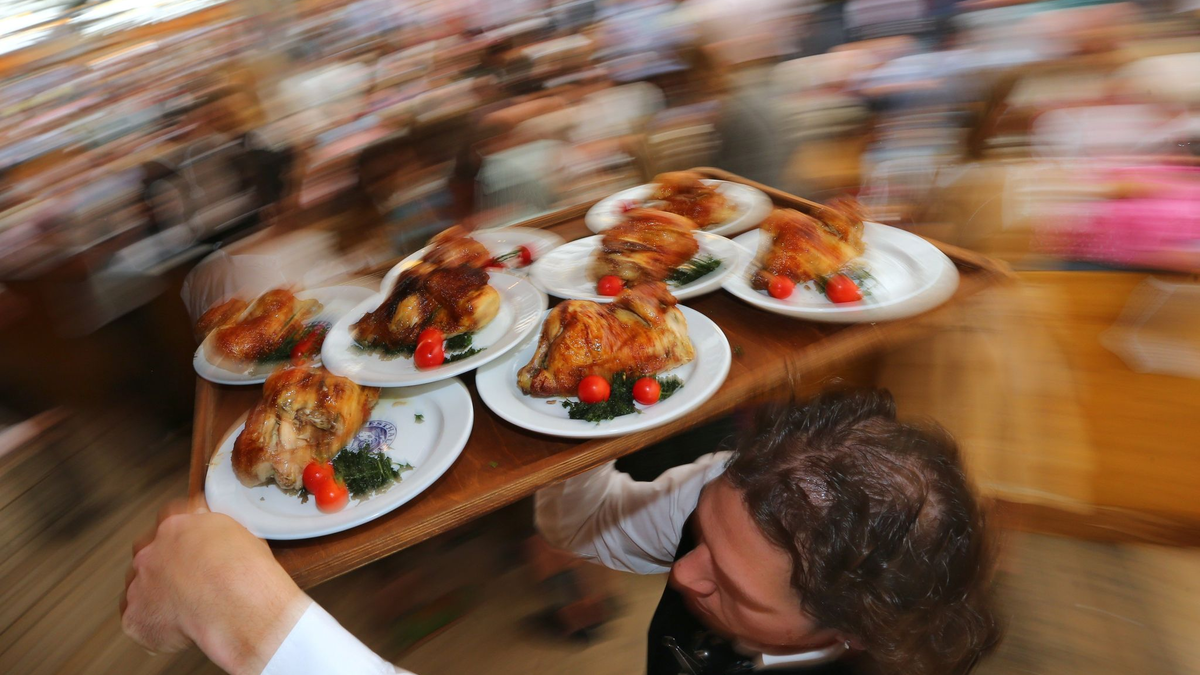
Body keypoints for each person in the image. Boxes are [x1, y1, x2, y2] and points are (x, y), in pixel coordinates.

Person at [120, 390, 1000, 674]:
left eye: (731, 586)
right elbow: (583, 525)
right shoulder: (742, 497)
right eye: (702, 534)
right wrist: (560, 420)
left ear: (848, 633)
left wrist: (252, 619)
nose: (685, 574)